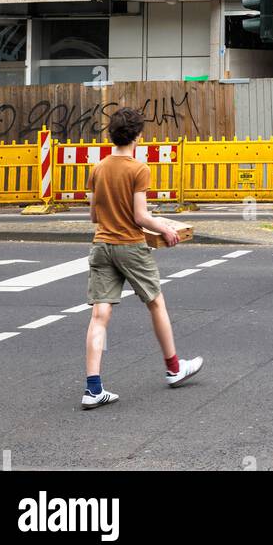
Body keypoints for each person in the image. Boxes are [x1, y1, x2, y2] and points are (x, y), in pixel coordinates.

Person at [83, 107, 202, 410]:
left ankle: (93, 387)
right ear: (137, 135)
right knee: (156, 303)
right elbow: (140, 216)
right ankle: (174, 368)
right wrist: (166, 228)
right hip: (131, 246)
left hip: (102, 245)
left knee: (99, 316)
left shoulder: (98, 169)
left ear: (112, 135)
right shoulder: (138, 169)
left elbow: (94, 214)